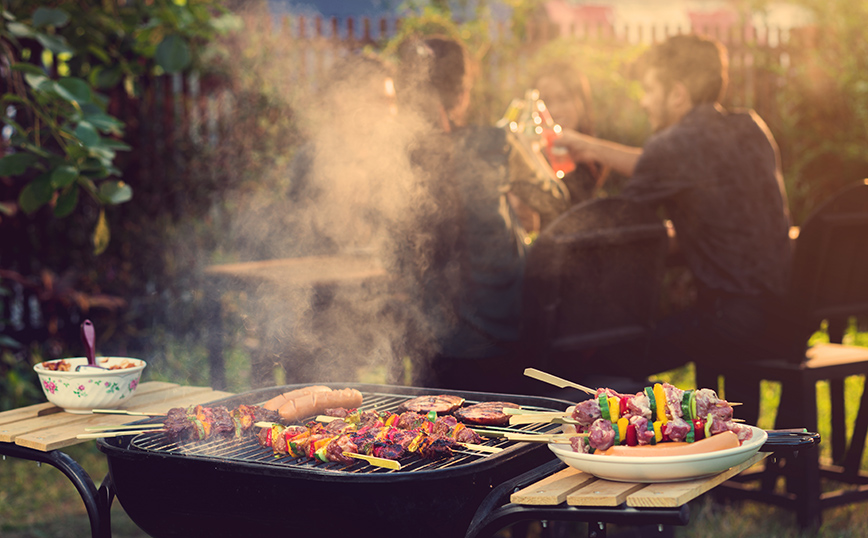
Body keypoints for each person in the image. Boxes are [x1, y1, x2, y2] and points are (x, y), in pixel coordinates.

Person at [554, 34, 796, 386]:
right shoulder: (750, 127)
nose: (644, 102)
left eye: (650, 89)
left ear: (678, 93)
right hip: (786, 318)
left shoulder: (672, 145)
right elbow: (691, 181)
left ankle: (655, 433)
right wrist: (591, 147)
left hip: (731, 323)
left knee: (599, 361)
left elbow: (619, 229)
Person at [389, 34, 531, 393]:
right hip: (509, 340)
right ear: (461, 91)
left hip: (440, 350)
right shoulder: (496, 144)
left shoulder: (395, 160)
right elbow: (554, 196)